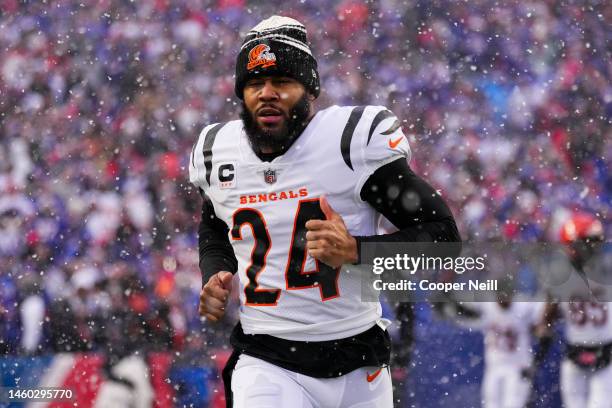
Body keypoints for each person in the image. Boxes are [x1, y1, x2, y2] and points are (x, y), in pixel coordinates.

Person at [189, 16, 460, 408]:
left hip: (358, 358)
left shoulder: (351, 145)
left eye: (282, 82)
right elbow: (215, 222)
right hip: (268, 356)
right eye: (254, 84)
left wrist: (357, 251)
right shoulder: (220, 153)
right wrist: (214, 270)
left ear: (309, 90)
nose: (267, 93)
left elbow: (443, 240)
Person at [536, 213, 612, 408]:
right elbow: (547, 318)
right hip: (575, 353)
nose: (595, 247)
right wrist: (544, 332)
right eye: (589, 242)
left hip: (607, 354)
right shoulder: (560, 275)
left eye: (596, 242)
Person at [435, 280, 545, 408]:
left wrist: (534, 361)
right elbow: (466, 315)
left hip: (518, 367)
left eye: (507, 295)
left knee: (514, 404)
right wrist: (449, 304)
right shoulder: (488, 307)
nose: (503, 299)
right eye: (500, 295)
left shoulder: (524, 307)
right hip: (494, 367)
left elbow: (544, 322)